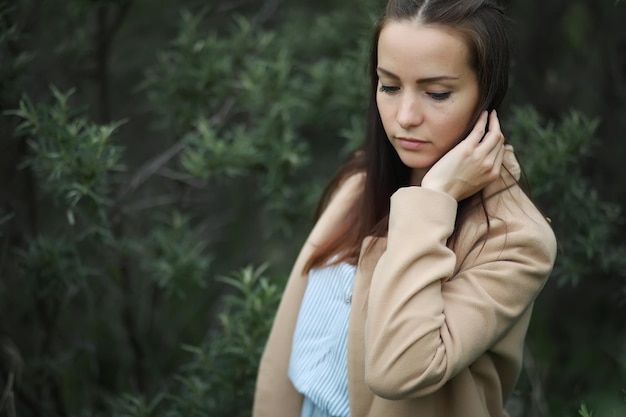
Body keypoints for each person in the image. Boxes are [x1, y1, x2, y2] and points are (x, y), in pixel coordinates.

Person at [253, 0, 557, 416]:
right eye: (390, 86)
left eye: (436, 93)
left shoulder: (513, 239)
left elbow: (398, 371)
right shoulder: (362, 182)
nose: (405, 116)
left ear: (486, 94)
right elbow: (285, 363)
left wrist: (435, 199)